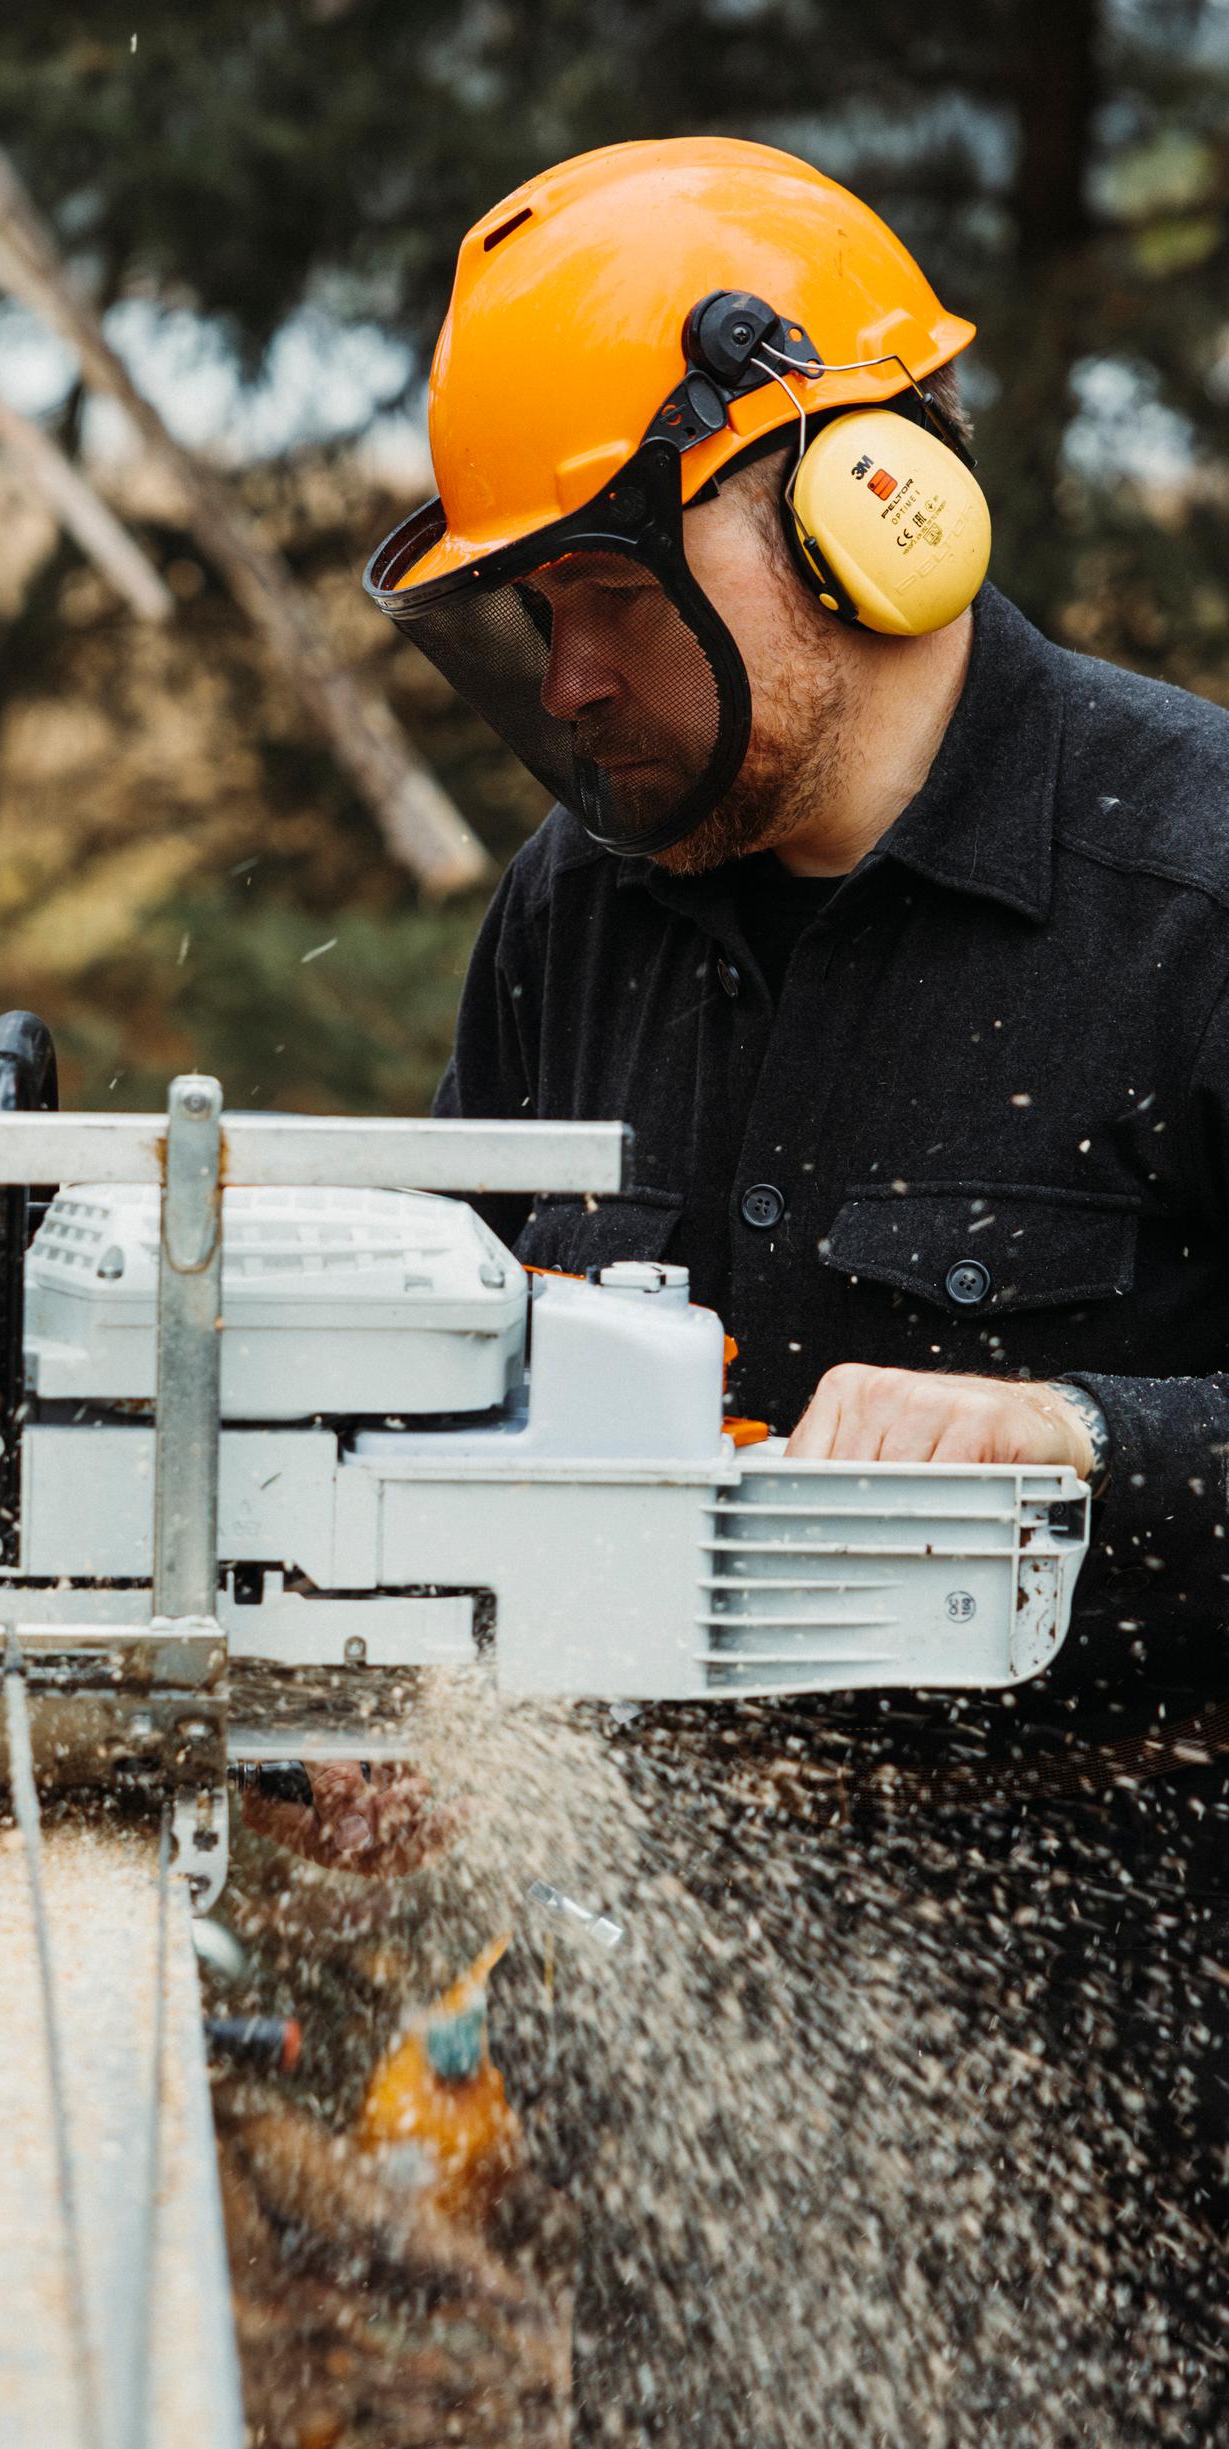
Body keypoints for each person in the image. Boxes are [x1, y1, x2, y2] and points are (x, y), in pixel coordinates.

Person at [245, 136, 1229, 2442]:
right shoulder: (569, 922)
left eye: (603, 590)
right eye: (531, 610)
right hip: (688, 2104)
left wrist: (1095, 1449)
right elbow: (468, 1404)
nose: (570, 677)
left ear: (856, 504)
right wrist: (416, 1679)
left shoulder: (1188, 898)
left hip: (1156, 2110)